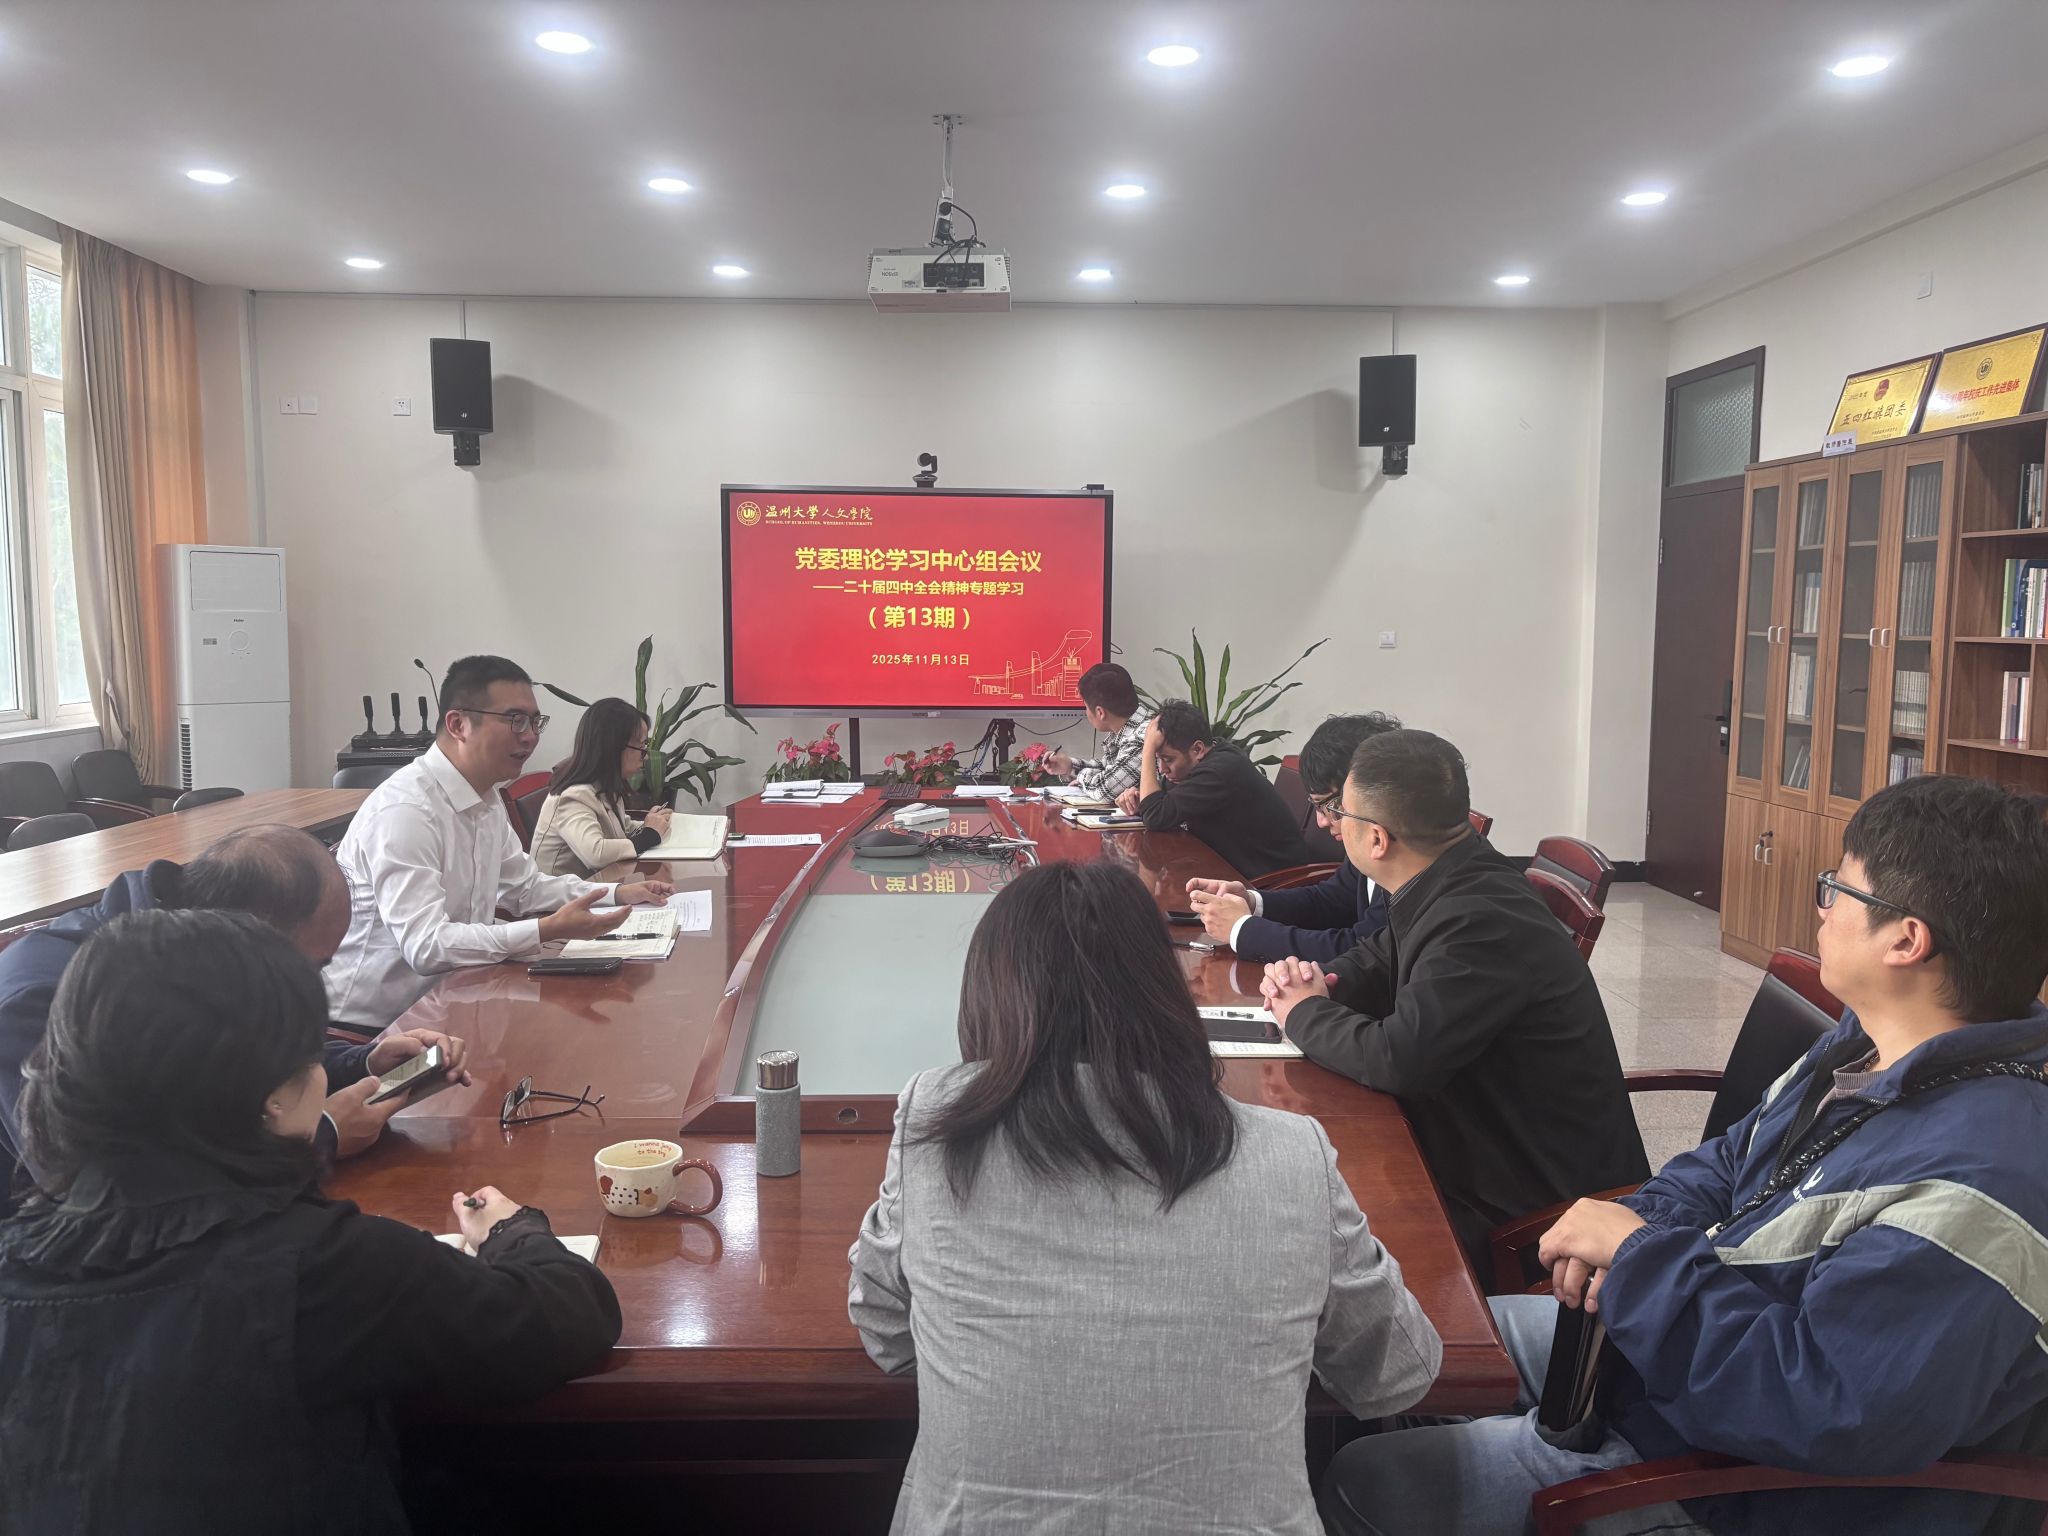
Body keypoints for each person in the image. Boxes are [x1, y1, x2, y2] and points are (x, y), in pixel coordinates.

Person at [1320, 774, 2048, 1536]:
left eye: (1838, 888)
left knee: (1362, 1483)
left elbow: (1820, 1403)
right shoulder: (1872, 1041)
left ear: (1906, 940)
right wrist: (1633, 1233)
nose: (1823, 906)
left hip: (1734, 1483)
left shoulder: (1983, 1182)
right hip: (1674, 1349)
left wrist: (1638, 1260)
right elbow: (1730, 1162)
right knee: (1400, 1340)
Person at [848, 860, 1440, 1535]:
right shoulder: (1291, 1152)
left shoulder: (933, 1123)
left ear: (989, 993)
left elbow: (886, 1334)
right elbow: (1396, 1374)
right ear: (1165, 988)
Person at [0, 909, 620, 1533]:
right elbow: (568, 1318)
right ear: (273, 1094)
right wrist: (513, 1232)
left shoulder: (18, 1256)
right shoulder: (321, 1266)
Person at [1261, 729, 1647, 1271]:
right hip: (1474, 1139)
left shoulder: (1480, 917)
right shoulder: (1450, 874)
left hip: (1537, 1208)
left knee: (1309, 1229)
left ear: (1377, 839)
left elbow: (1398, 1060)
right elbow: (1379, 955)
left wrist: (1302, 1011)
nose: (1330, 824)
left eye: (1339, 812)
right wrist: (1319, 980)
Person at [0, 825, 470, 1204]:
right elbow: (95, 1189)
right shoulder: (40, 999)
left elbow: (245, 1064)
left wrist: (362, 1064)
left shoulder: (203, 955)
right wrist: (316, 1138)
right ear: (251, 931)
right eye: (309, 968)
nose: (310, 987)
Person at [325, 655, 675, 1031]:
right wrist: (546, 930)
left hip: (457, 994)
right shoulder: (406, 811)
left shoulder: (486, 800)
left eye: (535, 722)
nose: (530, 736)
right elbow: (426, 946)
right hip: (374, 1028)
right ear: (458, 724)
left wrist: (617, 894)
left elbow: (526, 888)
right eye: (515, 720)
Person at [1186, 711, 1401, 960]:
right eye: (1317, 807)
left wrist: (1242, 929)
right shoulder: (1364, 844)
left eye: (1330, 807)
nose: (1321, 821)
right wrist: (1250, 901)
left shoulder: (1401, 858)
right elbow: (1330, 901)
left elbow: (1361, 953)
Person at [1122, 699, 1312, 881]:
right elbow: (1159, 802)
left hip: (1273, 881)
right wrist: (1140, 796)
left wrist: (1147, 749)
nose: (1163, 769)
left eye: (1168, 760)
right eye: (1158, 759)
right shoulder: (1210, 755)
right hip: (1230, 869)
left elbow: (1155, 816)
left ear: (1198, 750)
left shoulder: (1219, 771)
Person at [530, 697, 676, 877]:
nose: (645, 757)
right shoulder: (573, 795)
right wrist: (650, 835)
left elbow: (620, 829)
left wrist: (653, 823)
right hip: (562, 894)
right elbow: (595, 853)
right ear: (614, 747)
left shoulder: (604, 785)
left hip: (598, 884)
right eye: (641, 747)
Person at [1045, 662, 1155, 801]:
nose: (1086, 712)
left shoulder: (1144, 736)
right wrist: (1069, 766)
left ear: (1100, 712)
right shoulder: (1131, 727)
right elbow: (1108, 768)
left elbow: (1103, 789)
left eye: (1085, 707)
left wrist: (1081, 777)